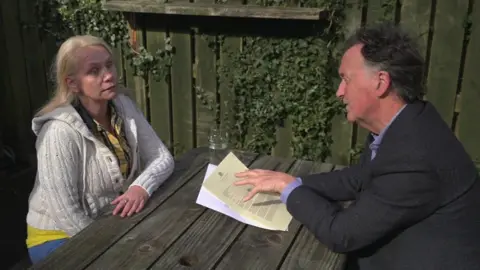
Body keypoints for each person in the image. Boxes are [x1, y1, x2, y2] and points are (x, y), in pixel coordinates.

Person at [234, 22, 480, 270]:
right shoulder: (408, 122)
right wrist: (292, 183)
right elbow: (361, 177)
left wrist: (289, 190)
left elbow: (342, 234)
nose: (339, 92)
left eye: (345, 79)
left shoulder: (415, 157)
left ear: (380, 82)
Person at [26, 35, 175, 264]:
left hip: (109, 221)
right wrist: (112, 246)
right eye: (94, 71)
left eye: (109, 64)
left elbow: (162, 157)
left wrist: (140, 187)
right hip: (59, 236)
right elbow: (67, 214)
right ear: (72, 83)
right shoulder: (58, 133)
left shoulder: (123, 106)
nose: (108, 75)